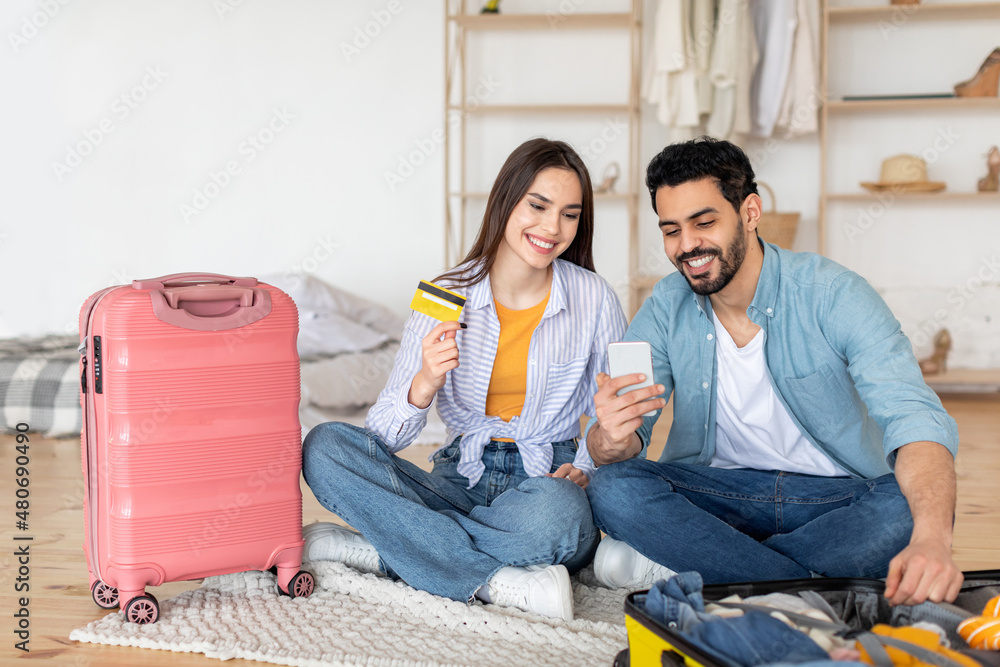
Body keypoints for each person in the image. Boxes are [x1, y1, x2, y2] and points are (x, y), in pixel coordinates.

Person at [585, 136, 963, 606]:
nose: (687, 246)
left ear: (749, 212)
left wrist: (932, 540)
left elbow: (915, 420)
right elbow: (617, 446)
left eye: (704, 223)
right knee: (614, 487)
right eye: (671, 230)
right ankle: (806, 586)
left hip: (836, 497)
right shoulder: (664, 307)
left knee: (910, 509)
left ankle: (711, 569)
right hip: (719, 496)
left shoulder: (835, 294)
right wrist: (610, 436)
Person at [301, 138, 627, 621]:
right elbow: (385, 437)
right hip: (459, 477)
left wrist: (588, 466)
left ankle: (389, 552)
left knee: (562, 516)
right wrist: (425, 383)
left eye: (569, 214)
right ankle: (496, 578)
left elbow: (620, 408)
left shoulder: (594, 298)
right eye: (537, 206)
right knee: (324, 446)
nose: (552, 227)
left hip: (545, 483)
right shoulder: (445, 294)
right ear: (505, 201)